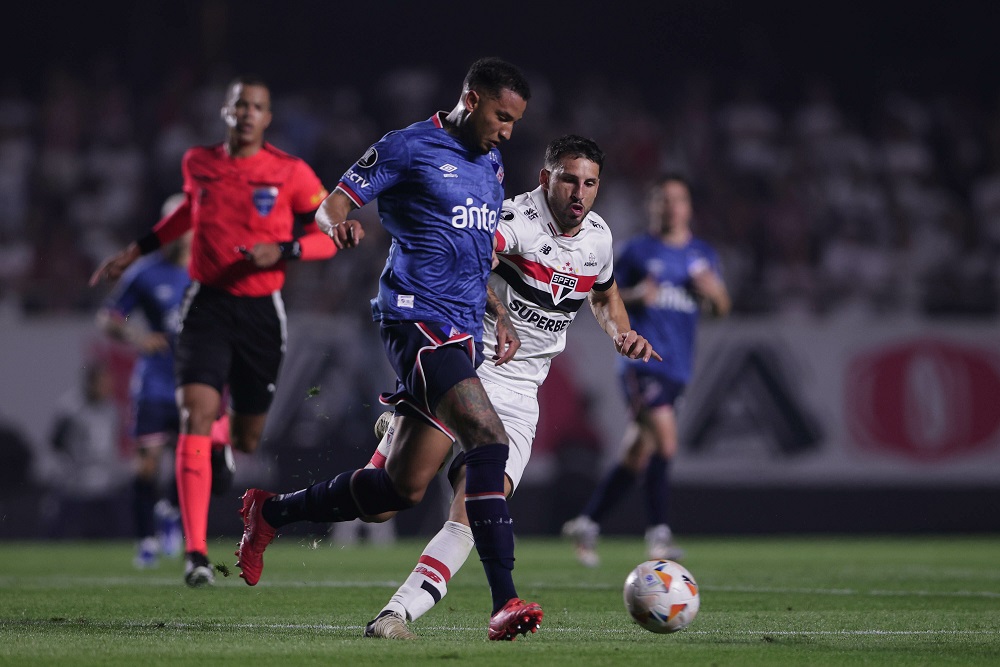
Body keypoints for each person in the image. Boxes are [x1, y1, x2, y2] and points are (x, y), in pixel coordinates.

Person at [235, 57, 544, 641]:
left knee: (393, 494)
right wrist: (340, 227)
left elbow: (471, 252)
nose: (508, 131)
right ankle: (504, 602)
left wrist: (498, 312)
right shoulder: (406, 146)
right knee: (489, 439)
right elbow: (333, 203)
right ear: (472, 99)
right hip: (414, 321)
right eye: (502, 116)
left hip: (463, 331)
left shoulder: (492, 163)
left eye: (516, 122)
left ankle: (268, 513)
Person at [362, 134, 660, 639]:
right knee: (382, 506)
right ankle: (403, 422)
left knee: (474, 508)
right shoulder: (515, 221)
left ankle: (394, 615)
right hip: (471, 365)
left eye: (589, 183)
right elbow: (466, 258)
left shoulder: (600, 239)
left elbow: (605, 297)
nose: (578, 193)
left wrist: (622, 334)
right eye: (569, 179)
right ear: (546, 178)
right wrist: (499, 315)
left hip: (523, 395)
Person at [90, 76, 344, 587]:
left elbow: (328, 235)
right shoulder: (198, 163)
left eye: (257, 106)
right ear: (227, 113)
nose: (248, 113)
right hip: (205, 305)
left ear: (268, 117)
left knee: (248, 435)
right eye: (239, 105)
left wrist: (287, 249)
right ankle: (196, 553)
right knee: (194, 416)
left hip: (259, 313)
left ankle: (227, 439)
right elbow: (188, 211)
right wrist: (134, 251)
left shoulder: (289, 171)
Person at [562, 173, 731, 567]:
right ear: (652, 206)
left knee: (638, 452)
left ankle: (587, 522)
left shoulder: (702, 255)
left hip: (679, 368)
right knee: (666, 441)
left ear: (688, 207)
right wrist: (638, 295)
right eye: (663, 199)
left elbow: (721, 309)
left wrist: (714, 294)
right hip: (641, 364)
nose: (670, 206)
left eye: (678, 199)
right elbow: (602, 294)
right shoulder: (636, 251)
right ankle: (659, 535)